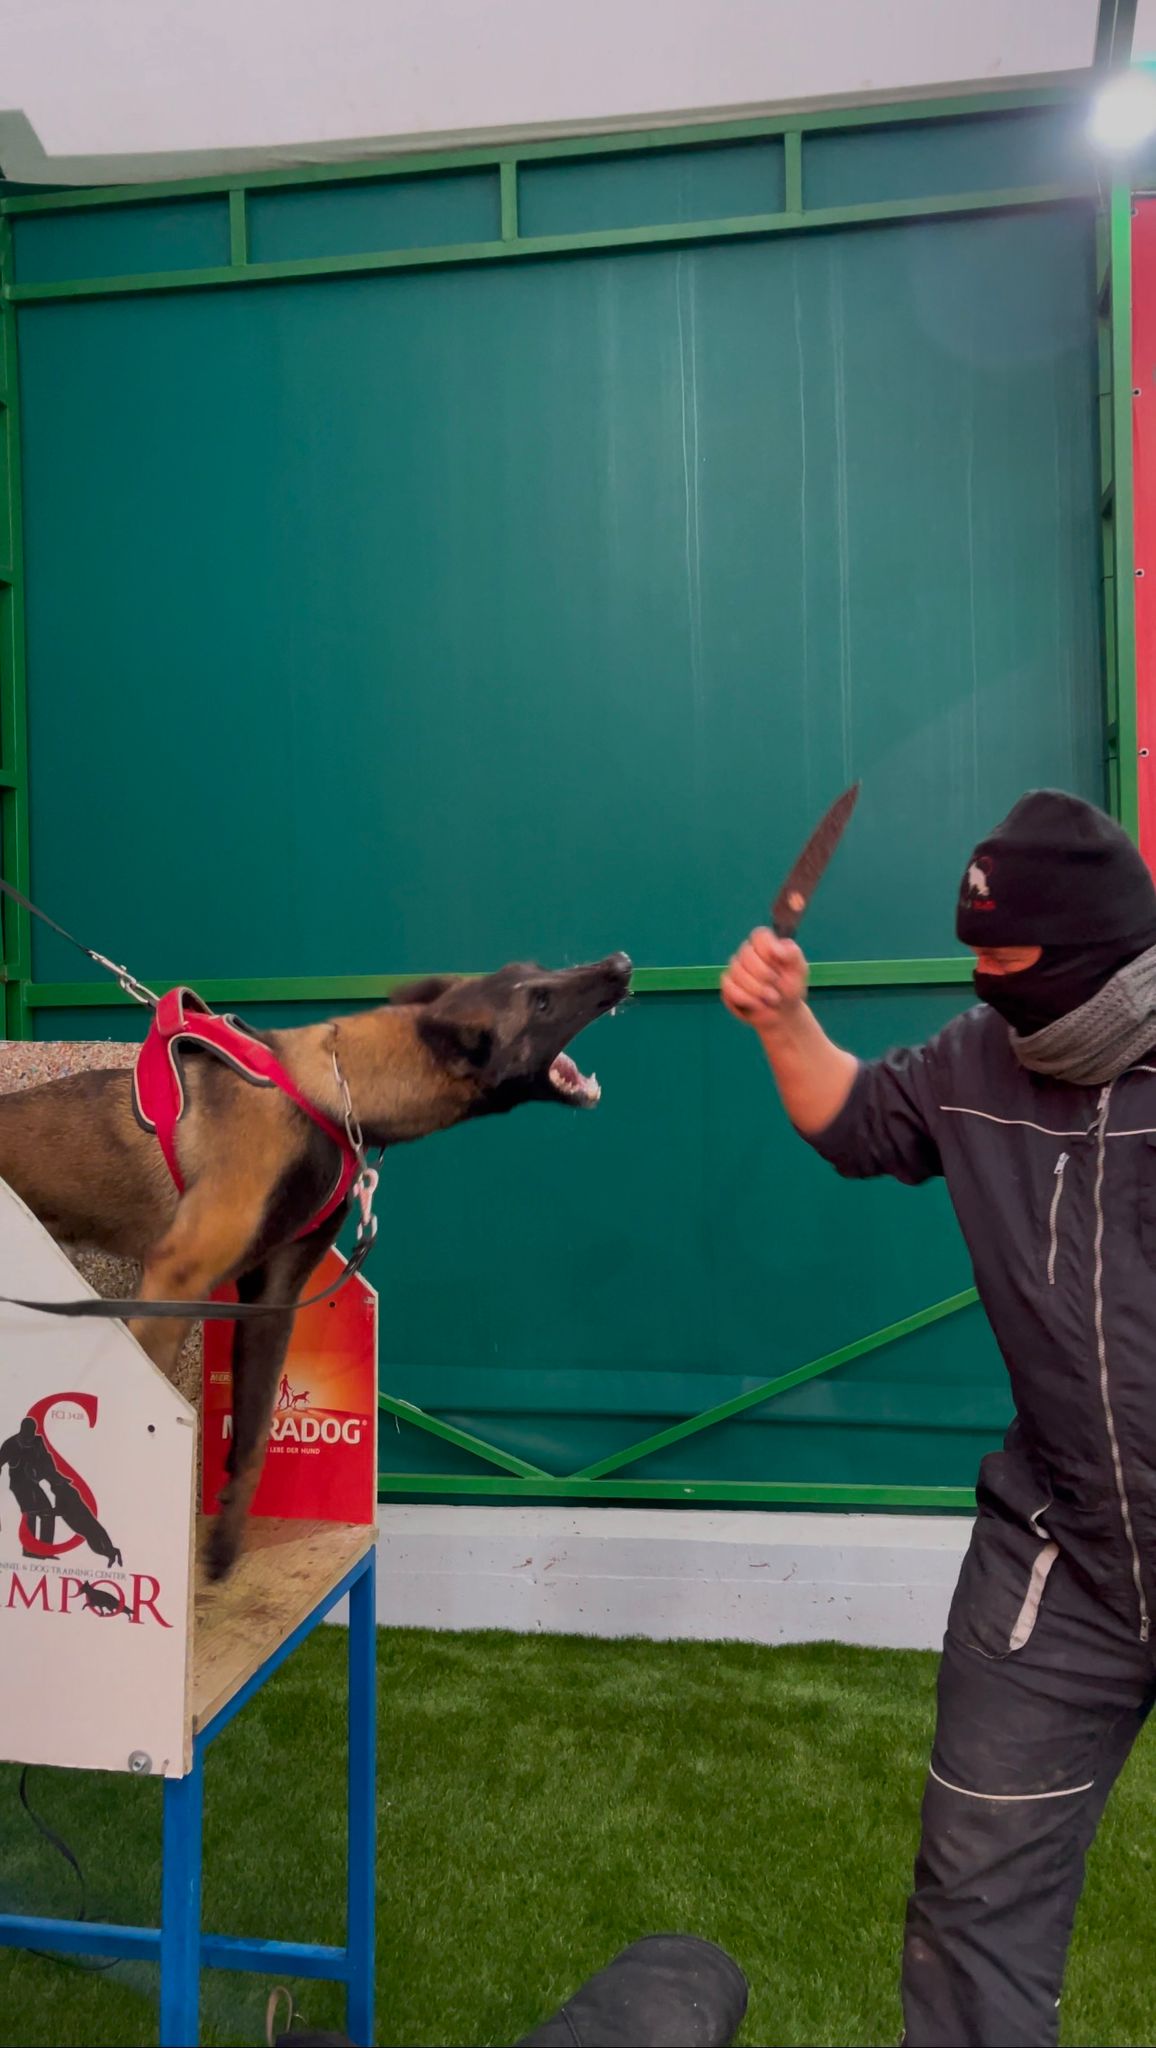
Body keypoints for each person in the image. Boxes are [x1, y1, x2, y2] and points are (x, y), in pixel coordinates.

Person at [722, 789, 1156, 2048]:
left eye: (1011, 966)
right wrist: (782, 1019)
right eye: (979, 966)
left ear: (1096, 957)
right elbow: (858, 1119)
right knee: (973, 1909)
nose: (989, 993)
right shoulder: (979, 1056)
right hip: (1065, 1559)